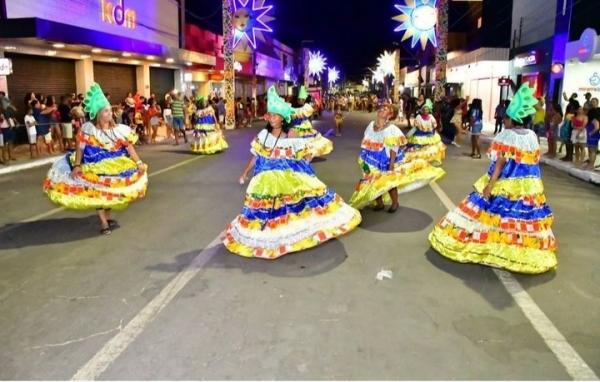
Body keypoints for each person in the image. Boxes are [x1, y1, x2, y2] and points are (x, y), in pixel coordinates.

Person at [429, 84, 557, 274]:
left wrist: (489, 185)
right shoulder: (531, 136)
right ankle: (518, 249)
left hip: (505, 183)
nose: (503, 121)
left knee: (491, 214)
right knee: (521, 218)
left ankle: (493, 245)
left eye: (505, 117)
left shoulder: (506, 136)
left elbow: (500, 163)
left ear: (512, 119)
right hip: (528, 186)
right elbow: (532, 160)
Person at [223, 86, 361, 259]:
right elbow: (255, 156)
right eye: (270, 115)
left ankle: (286, 238)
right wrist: (244, 173)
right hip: (264, 180)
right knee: (264, 213)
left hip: (285, 178)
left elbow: (305, 150)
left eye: (275, 115)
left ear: (282, 118)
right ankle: (268, 241)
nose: (271, 118)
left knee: (286, 210)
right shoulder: (263, 135)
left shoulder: (291, 133)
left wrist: (303, 166)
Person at [44, 83, 148, 235]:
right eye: (106, 111)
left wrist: (138, 163)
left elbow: (129, 147)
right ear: (99, 114)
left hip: (115, 165)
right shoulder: (88, 129)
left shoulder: (118, 130)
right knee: (98, 193)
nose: (110, 114)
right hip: (93, 166)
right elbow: (80, 147)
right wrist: (77, 165)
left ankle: (107, 216)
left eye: (110, 111)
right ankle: (104, 223)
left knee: (110, 191)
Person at [349, 103, 444, 213]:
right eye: (381, 108)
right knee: (372, 182)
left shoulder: (392, 129)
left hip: (385, 159)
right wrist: (363, 159)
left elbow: (395, 147)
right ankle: (379, 203)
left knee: (389, 183)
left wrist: (391, 163)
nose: (381, 110)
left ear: (390, 115)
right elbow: (366, 142)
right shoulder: (371, 125)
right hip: (369, 158)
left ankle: (395, 203)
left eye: (385, 109)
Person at [289, 86, 333, 157]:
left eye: (302, 99)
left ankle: (305, 153)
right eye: (300, 99)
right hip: (295, 126)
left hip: (304, 125)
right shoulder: (293, 107)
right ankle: (297, 152)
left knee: (308, 140)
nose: (301, 101)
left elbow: (308, 113)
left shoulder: (306, 107)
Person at [405, 99, 446, 166]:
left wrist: (431, 129)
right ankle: (419, 161)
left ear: (429, 110)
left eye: (427, 110)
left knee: (430, 148)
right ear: (422, 110)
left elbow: (434, 124)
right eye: (424, 109)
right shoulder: (418, 117)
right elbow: (416, 126)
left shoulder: (431, 117)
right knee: (418, 148)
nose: (425, 111)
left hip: (429, 135)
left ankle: (429, 160)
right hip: (419, 135)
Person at [584, 98, 600, 170]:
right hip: (590, 131)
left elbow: (596, 126)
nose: (592, 103)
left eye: (594, 102)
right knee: (590, 149)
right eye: (592, 102)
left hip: (593, 132)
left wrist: (592, 132)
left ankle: (591, 165)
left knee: (593, 149)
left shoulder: (597, 112)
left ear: (597, 103)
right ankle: (590, 164)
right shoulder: (591, 111)